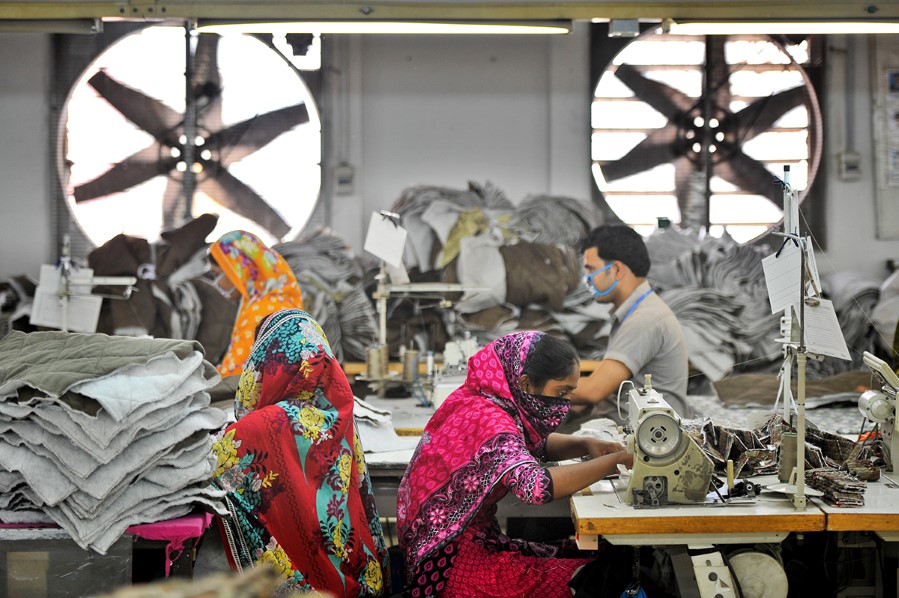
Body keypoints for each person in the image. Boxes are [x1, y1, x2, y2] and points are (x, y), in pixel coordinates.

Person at [396, 331, 632, 598]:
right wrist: (615, 460)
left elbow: (528, 445)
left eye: (570, 394)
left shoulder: (483, 399)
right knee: (591, 579)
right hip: (447, 565)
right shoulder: (489, 419)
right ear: (526, 383)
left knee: (594, 556)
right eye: (561, 392)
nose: (565, 403)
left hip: (464, 543)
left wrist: (585, 444)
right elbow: (535, 487)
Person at [210, 309, 389, 596]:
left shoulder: (253, 431)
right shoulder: (339, 415)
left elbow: (210, 463)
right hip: (359, 584)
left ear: (267, 363)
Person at [570, 224, 689, 424]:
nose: (587, 280)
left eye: (591, 270)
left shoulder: (645, 319)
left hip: (640, 435)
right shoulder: (637, 311)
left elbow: (593, 391)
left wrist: (531, 389)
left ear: (616, 270)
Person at [207, 230, 304, 378]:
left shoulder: (260, 312)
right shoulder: (280, 302)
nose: (217, 283)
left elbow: (237, 374)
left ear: (239, 269)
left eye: (216, 274)